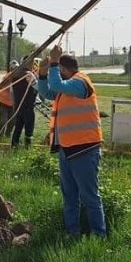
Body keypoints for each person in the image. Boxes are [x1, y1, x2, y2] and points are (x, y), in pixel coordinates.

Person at [37, 45, 107, 238]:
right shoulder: (65, 87)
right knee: (70, 195)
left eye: (57, 70)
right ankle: (72, 231)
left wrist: (53, 62)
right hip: (67, 148)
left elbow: (57, 85)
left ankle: (98, 234)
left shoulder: (80, 83)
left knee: (89, 196)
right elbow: (47, 92)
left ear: (63, 69)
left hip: (84, 148)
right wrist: (43, 74)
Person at [11, 58, 39, 148]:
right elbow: (38, 87)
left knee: (18, 128)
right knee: (29, 130)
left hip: (18, 106)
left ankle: (14, 146)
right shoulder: (29, 75)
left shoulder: (14, 74)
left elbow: (12, 91)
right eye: (32, 63)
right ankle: (27, 149)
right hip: (28, 106)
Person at [0, 61, 16, 137]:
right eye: (13, 68)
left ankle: (8, 134)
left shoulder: (19, 77)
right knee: (3, 120)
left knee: (13, 121)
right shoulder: (7, 77)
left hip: (13, 103)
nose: (15, 70)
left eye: (16, 68)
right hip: (4, 102)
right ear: (10, 68)